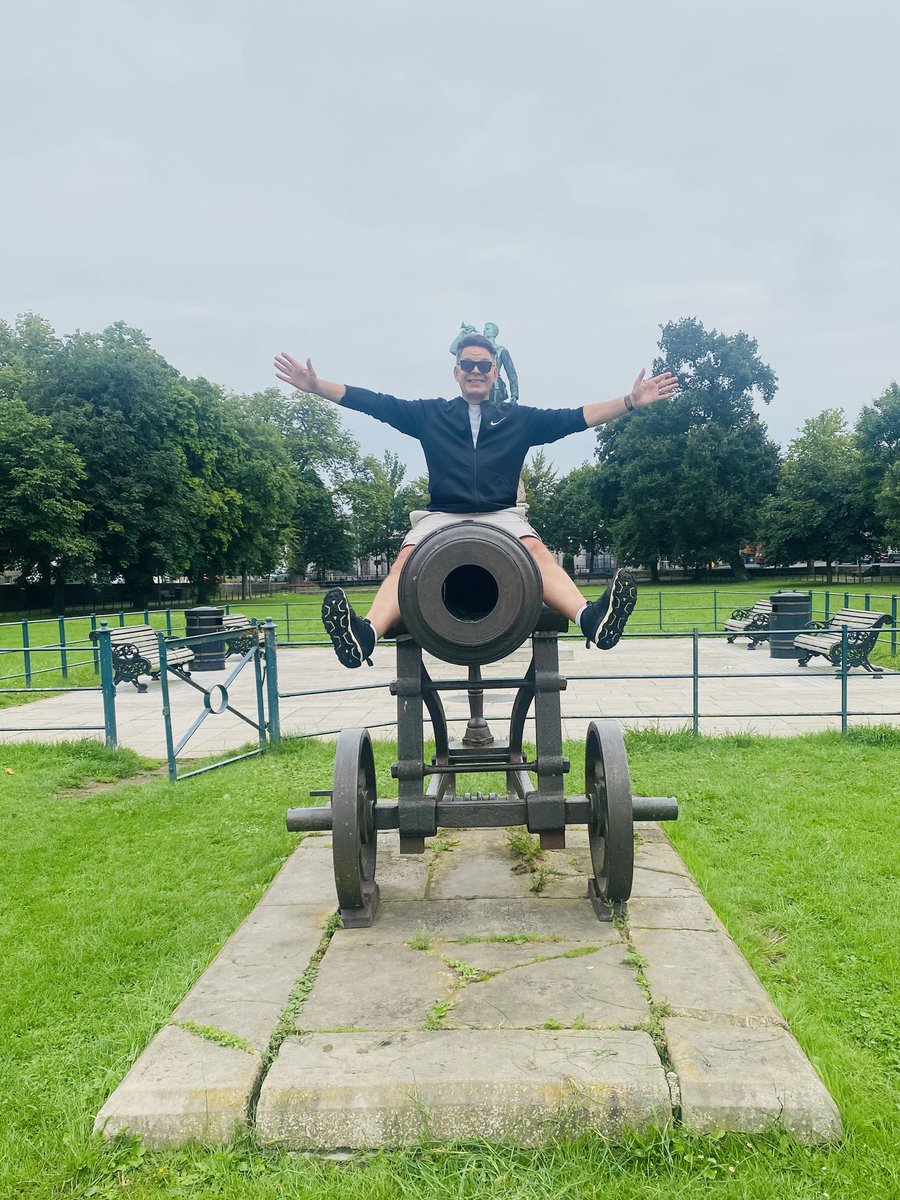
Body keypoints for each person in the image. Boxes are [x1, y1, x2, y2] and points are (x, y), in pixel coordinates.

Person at [274, 336, 678, 668]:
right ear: (456, 372)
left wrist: (629, 401)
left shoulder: (517, 419)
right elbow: (375, 402)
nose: (475, 372)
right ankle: (364, 636)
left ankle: (592, 620)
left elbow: (575, 417)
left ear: (494, 373)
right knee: (406, 560)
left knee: (536, 551)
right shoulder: (430, 415)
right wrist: (316, 387)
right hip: (442, 516)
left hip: (502, 514)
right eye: (467, 365)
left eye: (483, 365)